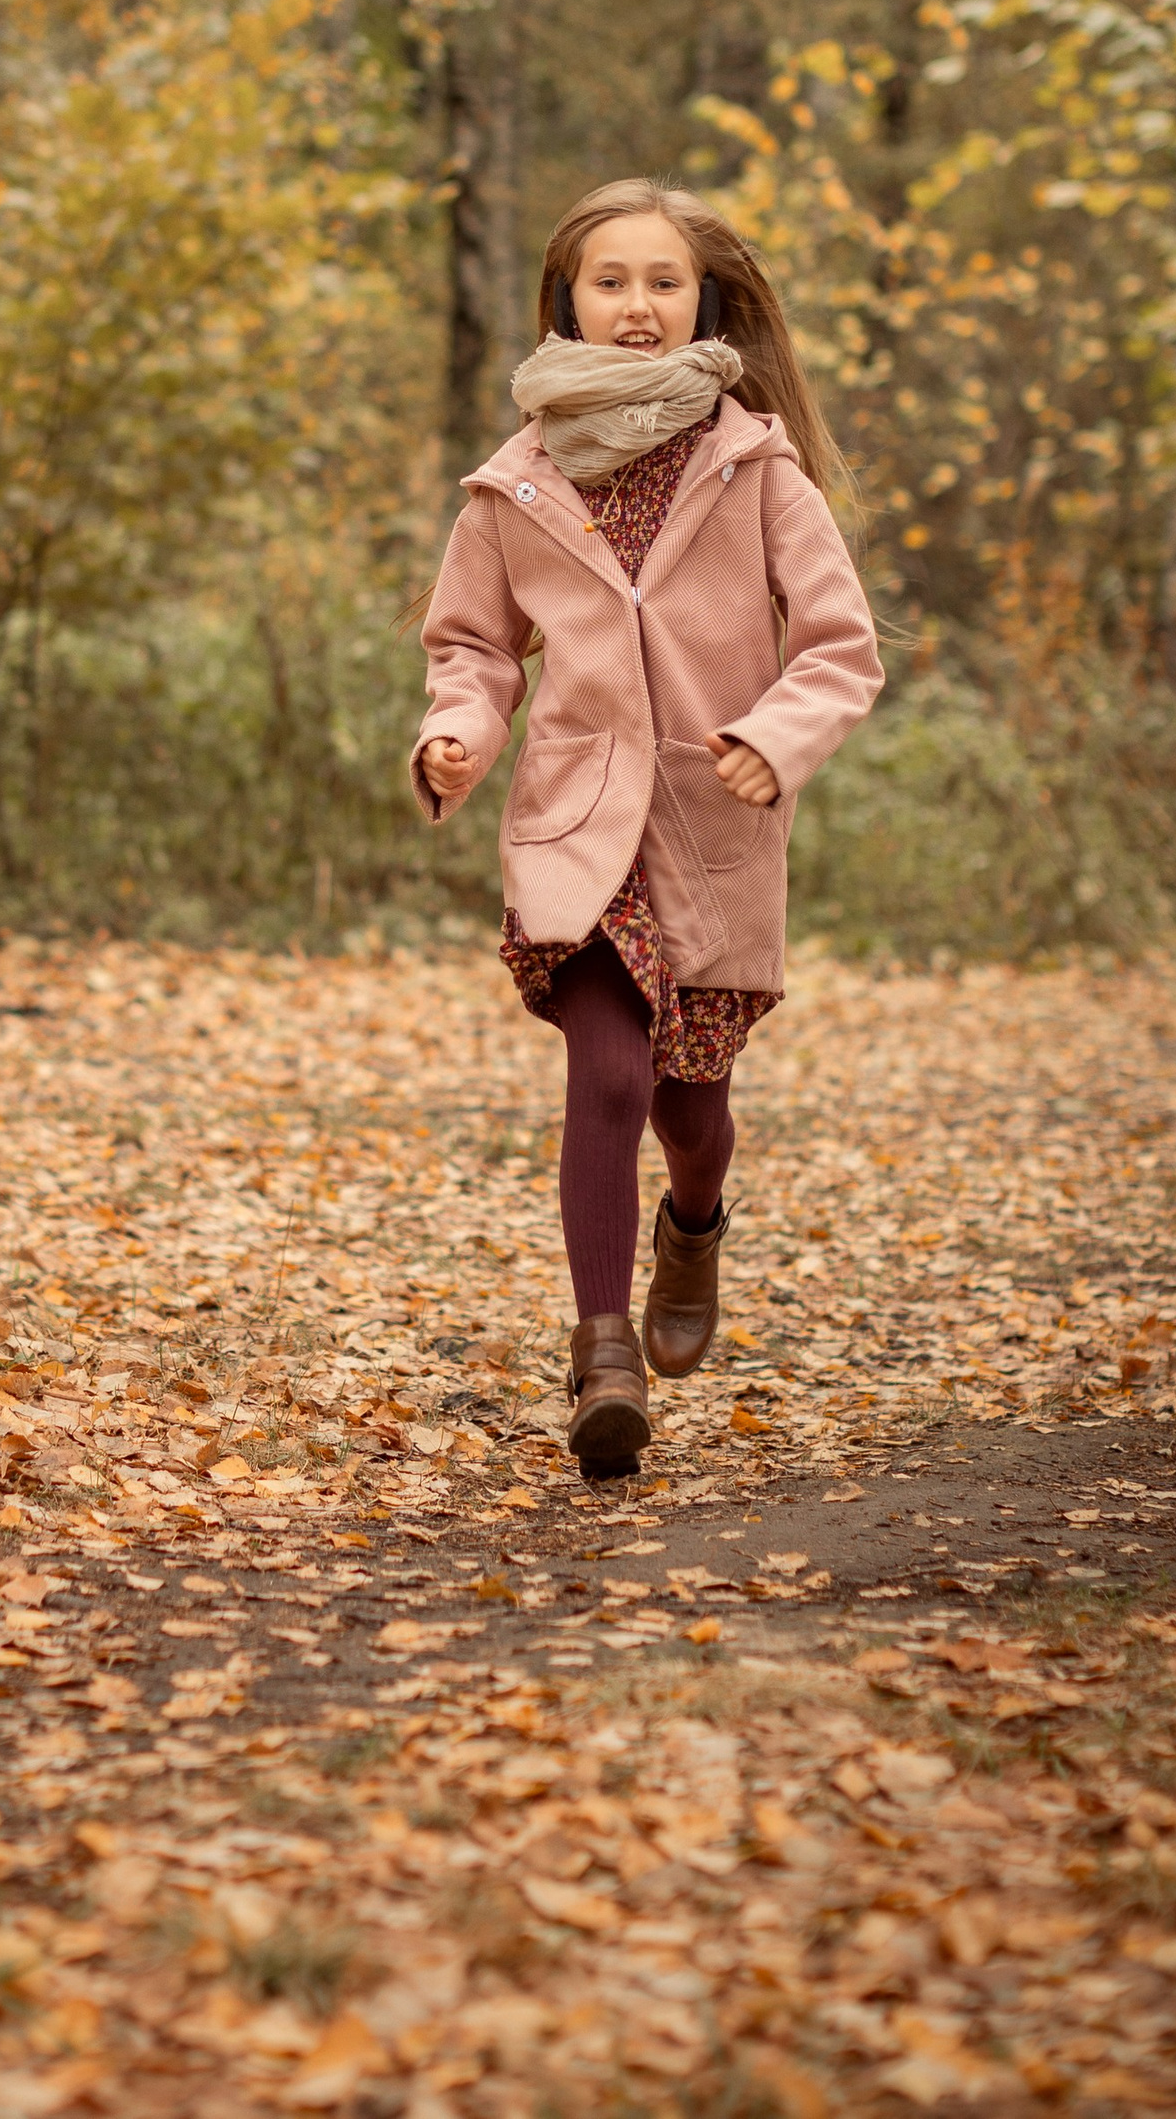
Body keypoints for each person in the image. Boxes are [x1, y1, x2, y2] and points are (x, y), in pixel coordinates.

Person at [410, 175, 882, 1479]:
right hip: (576, 824)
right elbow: (472, 644)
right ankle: (602, 1352)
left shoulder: (756, 463)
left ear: (704, 300)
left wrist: (772, 741)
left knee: (692, 1104)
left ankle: (697, 1217)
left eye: (662, 281)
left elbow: (840, 647)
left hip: (712, 833)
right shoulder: (514, 482)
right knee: (609, 1077)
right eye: (609, 280)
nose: (636, 304)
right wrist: (457, 730)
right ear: (565, 298)